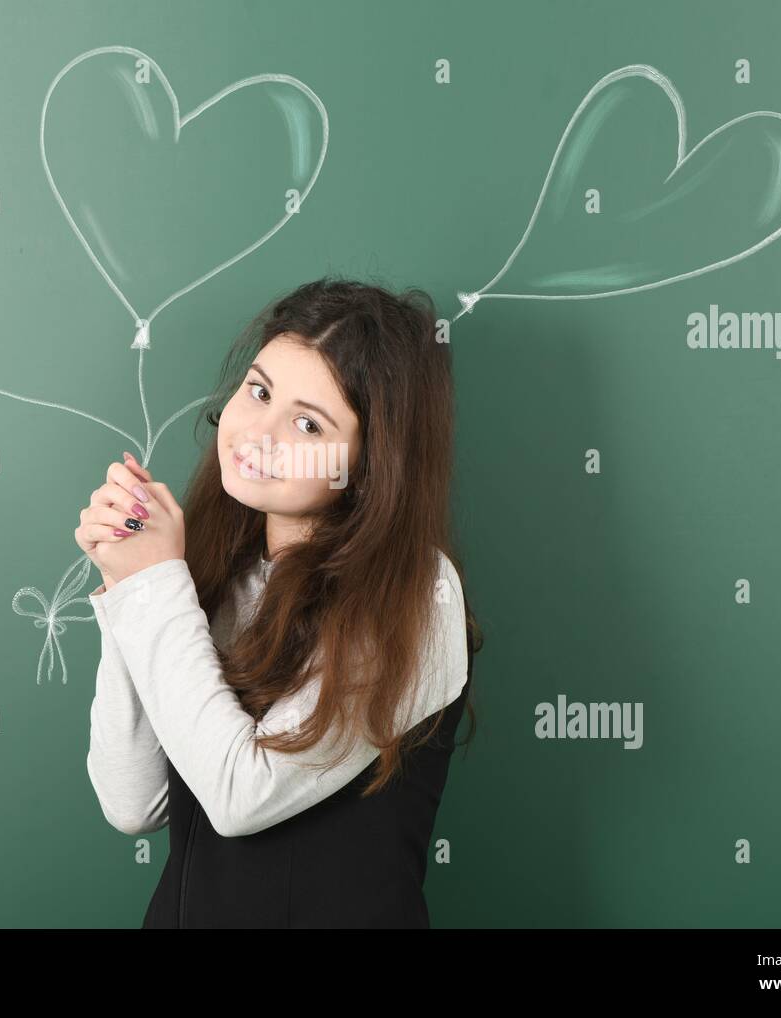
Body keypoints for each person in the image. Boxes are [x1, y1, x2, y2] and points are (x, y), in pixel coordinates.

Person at [76, 277, 483, 928]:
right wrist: (130, 582)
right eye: (259, 391)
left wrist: (152, 586)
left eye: (307, 423)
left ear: (372, 461)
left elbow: (242, 794)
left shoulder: (420, 596)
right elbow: (134, 801)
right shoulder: (212, 569)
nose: (258, 434)